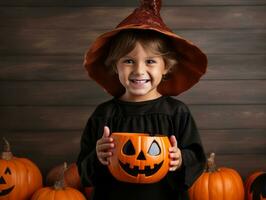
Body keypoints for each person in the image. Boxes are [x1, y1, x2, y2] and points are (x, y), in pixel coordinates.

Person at [77, 0, 208, 199]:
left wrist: (181, 159)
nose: (139, 70)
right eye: (128, 61)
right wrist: (98, 156)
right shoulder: (103, 115)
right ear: (115, 66)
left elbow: (197, 158)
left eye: (150, 61)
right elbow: (84, 170)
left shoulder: (176, 113)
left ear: (166, 67)